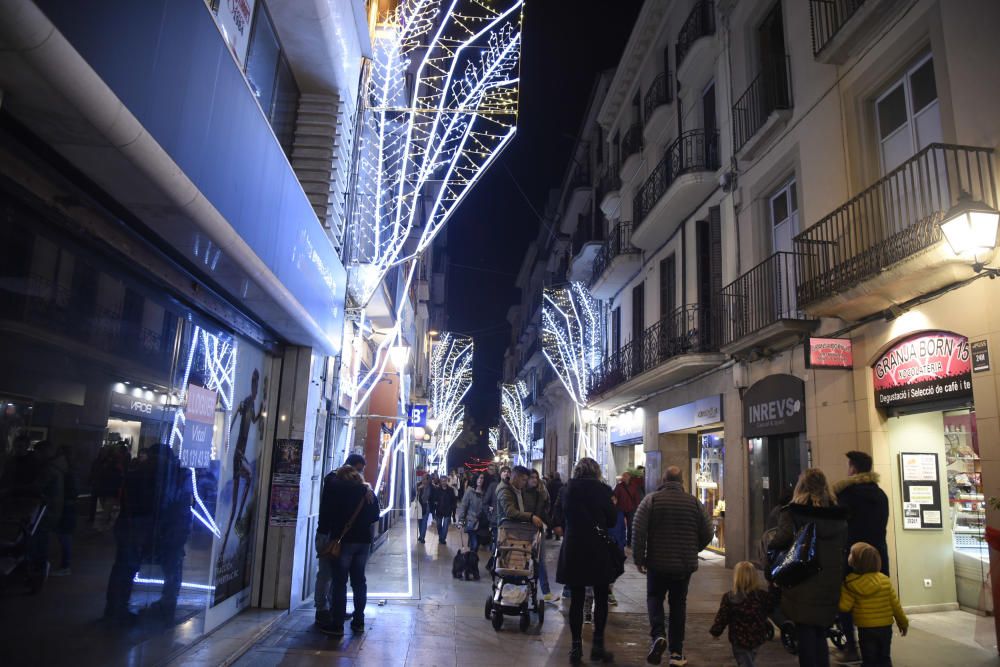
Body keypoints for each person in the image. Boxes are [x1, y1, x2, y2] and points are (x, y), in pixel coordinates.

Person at [632, 466, 713, 667]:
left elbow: (638, 529)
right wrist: (694, 549)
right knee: (678, 605)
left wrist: (639, 557)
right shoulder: (694, 503)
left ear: (663, 479)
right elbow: (709, 531)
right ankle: (676, 652)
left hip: (657, 563)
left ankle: (658, 635)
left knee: (654, 598)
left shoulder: (651, 500)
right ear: (682, 481)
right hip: (683, 566)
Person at [768, 468, 848, 667]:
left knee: (805, 635)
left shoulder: (794, 513)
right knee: (820, 633)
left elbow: (781, 539)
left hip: (802, 578)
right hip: (830, 579)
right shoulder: (837, 515)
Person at [105, 443, 192, 625]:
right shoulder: (175, 475)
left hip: (139, 526)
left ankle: (116, 607)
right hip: (160, 528)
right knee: (171, 567)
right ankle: (165, 606)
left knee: (125, 567)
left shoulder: (140, 472)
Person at [555, 457, 617, 664]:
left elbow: (556, 518)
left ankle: (576, 647)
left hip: (574, 547)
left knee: (577, 598)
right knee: (600, 597)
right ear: (596, 471)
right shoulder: (604, 490)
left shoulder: (566, 490)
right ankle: (598, 646)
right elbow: (612, 520)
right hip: (597, 549)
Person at [833, 451, 890, 664]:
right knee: (876, 599)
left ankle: (851, 645)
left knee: (848, 599)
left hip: (853, 555)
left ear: (853, 468)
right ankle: (880, 649)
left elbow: (838, 525)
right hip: (877, 556)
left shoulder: (847, 495)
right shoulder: (881, 495)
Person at [314, 459, 380, 636]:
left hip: (344, 542)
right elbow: (375, 516)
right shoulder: (367, 492)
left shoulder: (338, 490)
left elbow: (330, 514)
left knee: (339, 582)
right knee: (359, 582)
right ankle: (359, 621)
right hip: (363, 543)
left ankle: (337, 625)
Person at [220, 369, 266, 559]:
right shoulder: (245, 402)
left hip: (242, 451)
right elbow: (232, 424)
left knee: (247, 482)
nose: (255, 390)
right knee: (243, 486)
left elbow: (254, 420)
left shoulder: (252, 403)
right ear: (252, 386)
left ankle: (238, 518)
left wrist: (263, 410)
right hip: (239, 452)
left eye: (257, 386)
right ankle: (224, 547)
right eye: (255, 385)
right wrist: (227, 443)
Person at [838, 542, 908, 666]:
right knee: (884, 657)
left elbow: (844, 607)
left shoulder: (850, 583)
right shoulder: (884, 581)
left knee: (869, 659)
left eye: (851, 554)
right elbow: (895, 605)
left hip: (866, 629)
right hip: (885, 628)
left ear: (855, 562)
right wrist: (903, 623)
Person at [709, 561, 779, 667]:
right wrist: (775, 588)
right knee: (749, 659)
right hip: (757, 637)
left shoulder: (730, 597)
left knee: (745, 662)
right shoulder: (762, 596)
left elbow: (722, 617)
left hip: (739, 639)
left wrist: (716, 632)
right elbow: (772, 605)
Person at [526, 469, 556, 601]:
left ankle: (546, 592)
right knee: (523, 561)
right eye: (531, 477)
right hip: (523, 531)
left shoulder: (540, 494)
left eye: (536, 478)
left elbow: (543, 513)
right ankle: (522, 590)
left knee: (541, 561)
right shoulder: (521, 494)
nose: (534, 480)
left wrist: (553, 525)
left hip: (538, 531)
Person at [51, 444, 77, 576]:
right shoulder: (69, 470)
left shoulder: (64, 471)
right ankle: (65, 564)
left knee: (64, 535)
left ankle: (65, 565)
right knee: (65, 536)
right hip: (67, 505)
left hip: (64, 505)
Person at [457, 473, 485, 551]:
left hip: (481, 523)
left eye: (482, 478)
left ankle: (472, 559)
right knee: (474, 544)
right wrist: (461, 521)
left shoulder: (485, 492)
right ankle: (471, 559)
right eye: (478, 478)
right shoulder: (470, 491)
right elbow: (464, 506)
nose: (480, 480)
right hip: (471, 521)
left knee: (476, 543)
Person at [613, 471, 641, 547]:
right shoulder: (619, 486)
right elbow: (614, 496)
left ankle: (629, 542)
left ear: (629, 477)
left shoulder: (634, 486)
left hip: (630, 509)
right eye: (623, 476)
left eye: (625, 476)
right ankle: (622, 541)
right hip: (620, 509)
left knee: (630, 526)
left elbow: (637, 498)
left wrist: (637, 508)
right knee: (621, 526)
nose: (623, 477)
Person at [436, 476, 458, 545]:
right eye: (442, 481)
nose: (443, 482)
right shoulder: (438, 490)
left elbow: (454, 501)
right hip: (439, 510)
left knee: (445, 526)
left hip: (447, 510)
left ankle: (443, 538)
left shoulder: (450, 490)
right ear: (440, 481)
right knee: (439, 525)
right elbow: (435, 498)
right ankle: (440, 536)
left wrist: (452, 509)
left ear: (447, 481)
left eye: (444, 481)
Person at [416, 474, 435, 544]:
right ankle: (421, 535)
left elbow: (429, 498)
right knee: (420, 521)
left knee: (424, 521)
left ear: (428, 480)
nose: (422, 480)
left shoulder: (431, 487)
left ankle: (422, 537)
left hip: (427, 506)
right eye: (422, 478)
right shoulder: (419, 485)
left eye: (424, 479)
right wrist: (418, 490)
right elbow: (415, 496)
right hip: (419, 505)